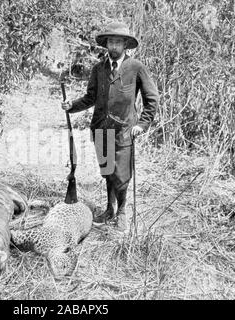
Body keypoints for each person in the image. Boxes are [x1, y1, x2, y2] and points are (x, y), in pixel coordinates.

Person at [61, 22, 158, 231]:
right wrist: (72, 106)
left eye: (118, 42)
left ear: (125, 45)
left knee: (121, 175)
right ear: (106, 44)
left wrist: (142, 124)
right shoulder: (99, 69)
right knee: (107, 171)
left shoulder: (136, 68)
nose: (114, 46)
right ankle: (109, 209)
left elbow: (152, 99)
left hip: (124, 131)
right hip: (101, 129)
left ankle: (122, 211)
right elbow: (90, 97)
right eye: (111, 42)